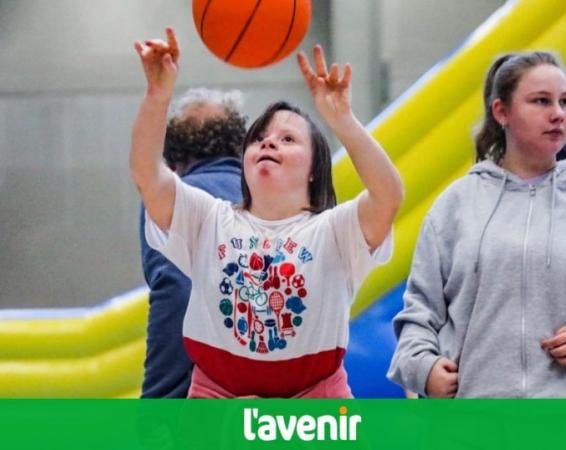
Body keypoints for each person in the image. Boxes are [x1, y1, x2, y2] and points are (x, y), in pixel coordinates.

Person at [131, 28, 403, 398]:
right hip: (218, 399)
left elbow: (388, 195)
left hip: (313, 403)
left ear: (314, 168)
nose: (269, 141)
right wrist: (157, 95)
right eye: (259, 138)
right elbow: (147, 172)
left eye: (288, 139)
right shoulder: (208, 218)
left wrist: (342, 121)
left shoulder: (335, 230)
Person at [388, 51, 566, 398]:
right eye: (541, 101)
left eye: (565, 101)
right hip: (477, 426)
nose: (557, 113)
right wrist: (423, 368)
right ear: (502, 112)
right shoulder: (455, 205)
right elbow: (421, 312)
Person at [139, 88, 246, 398]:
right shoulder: (281, 198)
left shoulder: (172, 199)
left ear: (172, 160)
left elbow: (178, 292)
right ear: (241, 147)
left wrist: (160, 402)